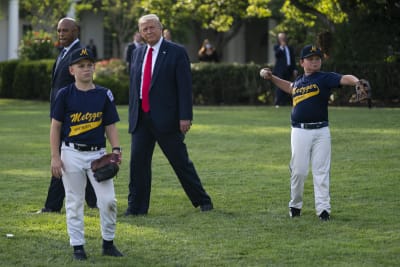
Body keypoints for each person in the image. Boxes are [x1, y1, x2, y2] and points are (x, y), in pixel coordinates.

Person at [260, 44, 365, 221]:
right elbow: (289, 87)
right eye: (311, 59)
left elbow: (343, 78)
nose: (315, 62)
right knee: (298, 171)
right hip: (299, 131)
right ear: (302, 62)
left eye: (317, 59)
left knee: (321, 171)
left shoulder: (325, 78)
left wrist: (357, 82)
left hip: (321, 131)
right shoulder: (300, 81)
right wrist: (271, 78)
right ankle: (295, 205)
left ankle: (323, 210)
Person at [125, 14, 213, 216]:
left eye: (152, 27)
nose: (148, 31)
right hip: (141, 119)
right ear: (140, 32)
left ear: (160, 27)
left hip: (167, 119)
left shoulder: (176, 52)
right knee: (137, 164)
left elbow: (184, 87)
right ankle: (136, 208)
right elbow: (134, 87)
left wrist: (185, 116)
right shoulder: (137, 53)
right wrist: (132, 115)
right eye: (144, 29)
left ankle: (203, 200)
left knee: (180, 162)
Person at [50, 47, 123, 260]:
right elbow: (55, 127)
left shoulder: (103, 94)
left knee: (108, 200)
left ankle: (108, 243)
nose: (86, 69)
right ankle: (78, 247)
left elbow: (110, 125)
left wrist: (116, 150)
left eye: (89, 65)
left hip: (97, 155)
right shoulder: (64, 94)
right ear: (72, 70)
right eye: (81, 66)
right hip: (71, 153)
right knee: (74, 201)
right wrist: (55, 157)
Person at [38, 17, 97, 214]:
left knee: (63, 158)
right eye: (59, 30)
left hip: (72, 116)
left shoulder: (78, 53)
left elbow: (80, 85)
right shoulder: (64, 53)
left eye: (65, 30)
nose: (61, 34)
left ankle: (52, 205)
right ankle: (95, 200)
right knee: (76, 158)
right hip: (60, 114)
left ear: (76, 31)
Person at [272, 32, 297, 107]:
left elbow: (293, 60)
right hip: (280, 70)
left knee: (288, 85)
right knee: (280, 85)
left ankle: (284, 102)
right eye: (280, 38)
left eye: (283, 37)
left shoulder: (290, 48)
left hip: (288, 69)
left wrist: (294, 69)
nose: (282, 39)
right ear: (278, 39)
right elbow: (277, 55)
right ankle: (278, 103)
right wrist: (281, 47)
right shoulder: (277, 47)